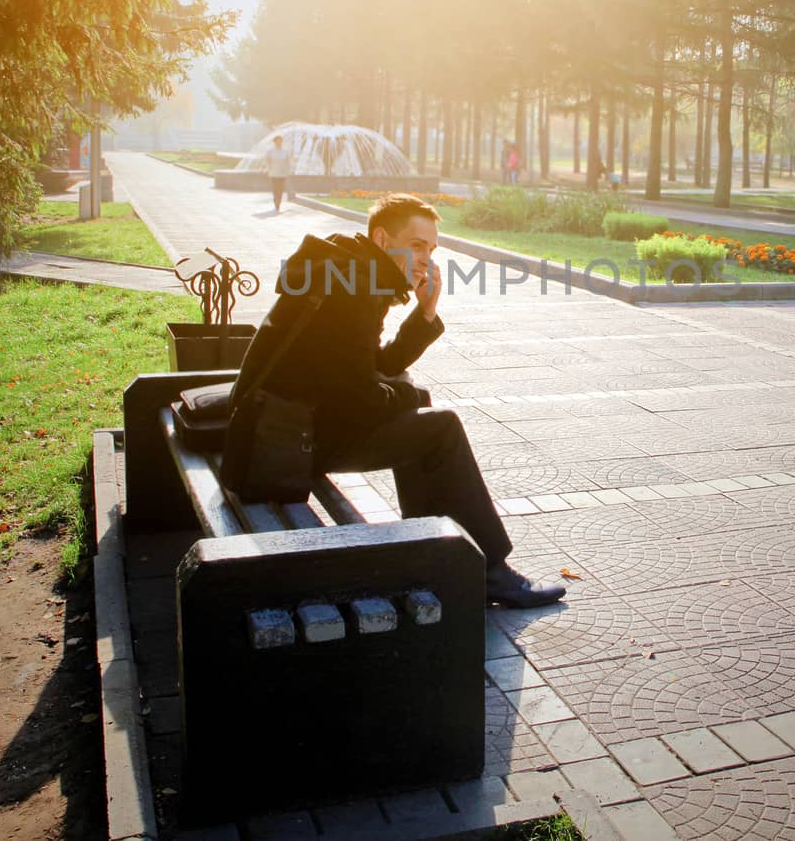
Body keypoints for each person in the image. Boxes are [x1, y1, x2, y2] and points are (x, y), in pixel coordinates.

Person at [232, 193, 566, 609]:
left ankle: (433, 545)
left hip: (285, 425)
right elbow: (361, 399)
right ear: (382, 237)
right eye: (416, 245)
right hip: (285, 443)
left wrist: (424, 315)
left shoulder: (349, 271)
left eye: (431, 248)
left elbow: (372, 366)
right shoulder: (351, 289)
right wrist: (405, 393)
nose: (426, 258)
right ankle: (489, 571)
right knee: (440, 426)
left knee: (420, 407)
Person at [264, 134, 291, 213]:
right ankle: (276, 200)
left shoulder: (285, 151)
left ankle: (278, 203)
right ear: (275, 142)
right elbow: (267, 160)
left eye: (281, 141)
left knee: (281, 189)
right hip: (273, 173)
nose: (279, 143)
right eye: (278, 141)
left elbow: (288, 162)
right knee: (275, 188)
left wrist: (288, 171)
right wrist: (269, 168)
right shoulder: (270, 151)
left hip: (282, 173)